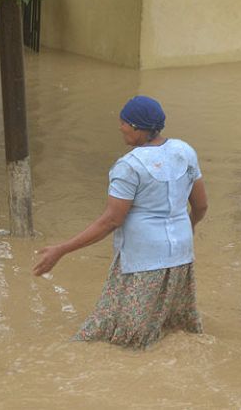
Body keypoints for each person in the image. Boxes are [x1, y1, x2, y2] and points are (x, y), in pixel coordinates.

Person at [32, 95, 208, 349]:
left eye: (124, 123)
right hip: (182, 252)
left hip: (143, 258)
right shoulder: (185, 152)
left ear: (137, 128)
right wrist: (187, 228)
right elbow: (201, 205)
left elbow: (111, 220)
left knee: (127, 337)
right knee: (173, 326)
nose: (120, 127)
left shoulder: (129, 166)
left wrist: (62, 249)